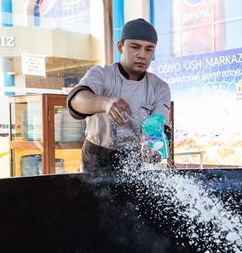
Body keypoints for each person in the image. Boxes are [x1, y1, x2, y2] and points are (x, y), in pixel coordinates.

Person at [67, 18, 172, 173]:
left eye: (148, 49)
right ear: (120, 46)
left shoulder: (159, 87)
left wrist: (155, 146)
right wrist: (105, 103)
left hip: (135, 161)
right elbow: (76, 101)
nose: (142, 55)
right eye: (135, 47)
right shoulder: (102, 75)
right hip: (97, 160)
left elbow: (159, 126)